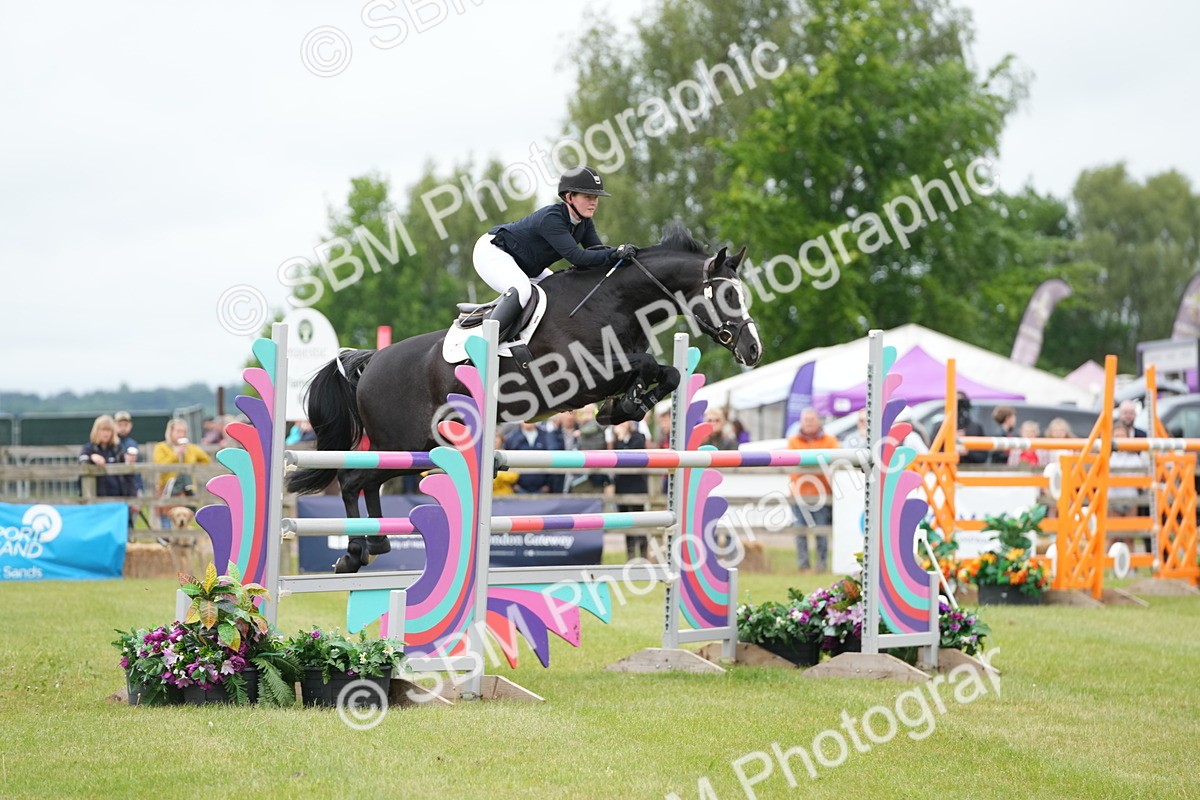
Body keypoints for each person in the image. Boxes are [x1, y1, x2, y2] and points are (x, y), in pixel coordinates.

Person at [472, 166, 639, 345]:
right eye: (587, 197)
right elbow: (578, 258)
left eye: (595, 197)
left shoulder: (584, 223)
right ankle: (484, 345)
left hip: (526, 264)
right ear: (569, 197)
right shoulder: (552, 219)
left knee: (559, 293)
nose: (593, 202)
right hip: (493, 251)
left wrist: (624, 257)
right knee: (522, 290)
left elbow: (597, 252)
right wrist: (615, 253)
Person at [787, 408, 839, 572]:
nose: (808, 422)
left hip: (822, 493)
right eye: (806, 419)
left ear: (818, 421)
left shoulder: (830, 440)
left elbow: (838, 459)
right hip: (799, 493)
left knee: (821, 530)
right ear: (800, 422)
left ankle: (821, 565)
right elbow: (791, 462)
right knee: (800, 530)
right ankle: (803, 566)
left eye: (811, 419)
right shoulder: (793, 441)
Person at [153, 419, 212, 528]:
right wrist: (175, 454)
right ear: (170, 432)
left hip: (185, 491)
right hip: (167, 491)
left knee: (184, 524)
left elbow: (206, 459)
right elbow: (159, 466)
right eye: (178, 431)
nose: (181, 434)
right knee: (167, 525)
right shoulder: (161, 447)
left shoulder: (191, 448)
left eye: (184, 432)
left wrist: (191, 460)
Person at [611, 421, 650, 561]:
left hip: (637, 485)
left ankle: (644, 553)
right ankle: (631, 555)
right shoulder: (615, 440)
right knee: (625, 521)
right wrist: (620, 440)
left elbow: (631, 454)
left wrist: (622, 439)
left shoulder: (639, 437)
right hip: (622, 485)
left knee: (639, 520)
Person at [78, 415, 136, 498]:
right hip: (96, 499)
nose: (106, 434)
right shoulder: (89, 448)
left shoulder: (117, 449)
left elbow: (128, 475)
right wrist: (91, 457)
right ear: (96, 431)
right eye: (103, 430)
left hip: (118, 498)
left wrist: (133, 497)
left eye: (109, 431)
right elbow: (82, 460)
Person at [503, 421, 561, 494]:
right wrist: (513, 485)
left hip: (543, 489)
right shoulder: (512, 439)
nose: (527, 420)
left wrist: (549, 485)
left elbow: (553, 459)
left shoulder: (546, 437)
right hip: (519, 489)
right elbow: (506, 463)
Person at [955, 392, 988, 464]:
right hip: (947, 470)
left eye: (961, 403)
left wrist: (968, 452)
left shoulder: (975, 428)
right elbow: (934, 454)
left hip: (969, 469)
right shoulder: (942, 428)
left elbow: (983, 456)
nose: (958, 407)